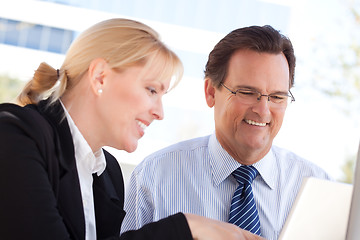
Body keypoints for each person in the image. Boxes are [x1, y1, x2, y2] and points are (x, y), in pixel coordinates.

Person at [0, 18, 264, 240]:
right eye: (151, 90)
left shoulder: (108, 176)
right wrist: (186, 227)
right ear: (100, 76)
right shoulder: (16, 136)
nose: (160, 113)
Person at [121, 25, 333, 240]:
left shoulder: (319, 188)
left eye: (277, 97)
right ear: (211, 92)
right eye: (248, 92)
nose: (263, 110)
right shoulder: (154, 176)